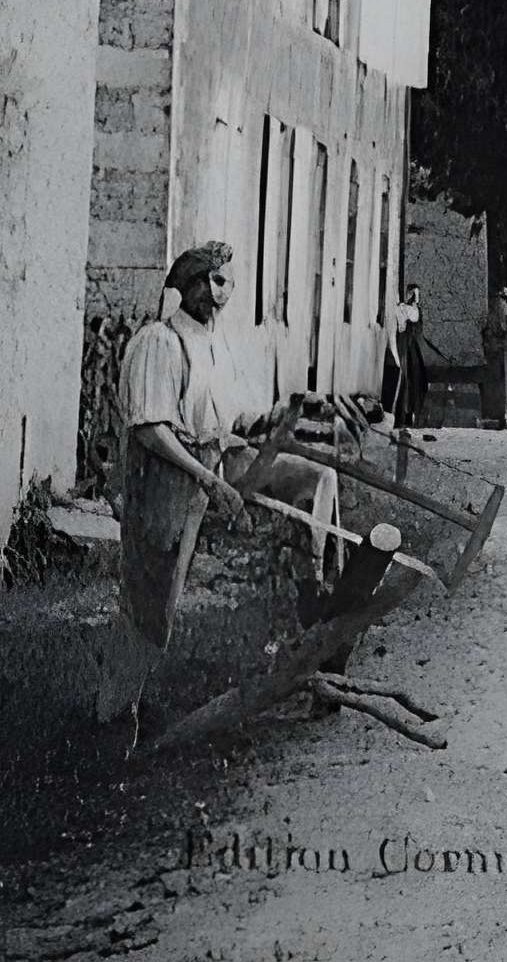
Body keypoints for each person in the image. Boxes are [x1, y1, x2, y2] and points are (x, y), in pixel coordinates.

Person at [93, 244, 334, 743]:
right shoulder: (159, 342)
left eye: (225, 284)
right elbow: (150, 430)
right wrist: (209, 480)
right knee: (152, 599)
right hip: (162, 480)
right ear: (189, 286)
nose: (219, 296)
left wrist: (282, 411)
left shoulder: (216, 345)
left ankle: (316, 583)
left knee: (316, 479)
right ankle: (114, 713)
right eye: (210, 283)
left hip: (212, 468)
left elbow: (233, 419)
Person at [390, 285, 433, 432]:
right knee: (406, 380)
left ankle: (412, 415)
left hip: (412, 348)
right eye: (413, 294)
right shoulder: (404, 309)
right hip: (404, 347)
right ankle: (403, 416)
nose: (415, 298)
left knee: (417, 381)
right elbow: (407, 323)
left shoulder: (413, 309)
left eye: (416, 295)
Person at [477, 288, 507, 430]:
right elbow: (502, 327)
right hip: (499, 348)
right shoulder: (501, 305)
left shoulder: (489, 304)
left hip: (491, 348)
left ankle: (494, 413)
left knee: (494, 382)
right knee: (501, 382)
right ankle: (500, 415)